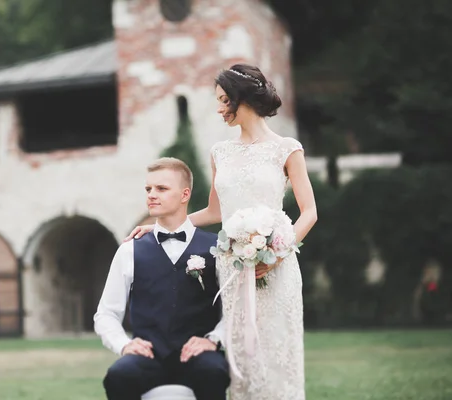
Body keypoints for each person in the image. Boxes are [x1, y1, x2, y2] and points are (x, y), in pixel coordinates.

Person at [126, 64, 318, 400]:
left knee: (277, 351)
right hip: (232, 268)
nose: (218, 108)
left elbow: (309, 213)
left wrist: (277, 253)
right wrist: (160, 225)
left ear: (241, 98)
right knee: (242, 355)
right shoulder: (220, 152)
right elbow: (216, 212)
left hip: (277, 268)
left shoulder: (287, 148)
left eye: (222, 100)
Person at [94, 157, 230, 400]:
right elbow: (106, 314)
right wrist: (123, 345)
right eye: (148, 189)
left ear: (184, 194)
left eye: (162, 189)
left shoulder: (216, 247)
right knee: (118, 376)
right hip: (149, 357)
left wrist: (213, 340)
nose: (151, 195)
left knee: (214, 372)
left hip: (199, 356)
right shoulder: (130, 249)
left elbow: (234, 308)